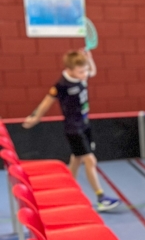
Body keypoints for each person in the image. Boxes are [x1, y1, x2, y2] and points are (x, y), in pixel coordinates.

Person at [22, 49, 120, 212]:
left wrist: (89, 59)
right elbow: (46, 102)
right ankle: (101, 198)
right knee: (90, 161)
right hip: (74, 129)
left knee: (76, 160)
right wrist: (35, 118)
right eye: (81, 71)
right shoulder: (62, 85)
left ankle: (67, 191)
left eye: (85, 70)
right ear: (69, 70)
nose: (85, 74)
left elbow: (92, 71)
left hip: (85, 126)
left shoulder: (82, 76)